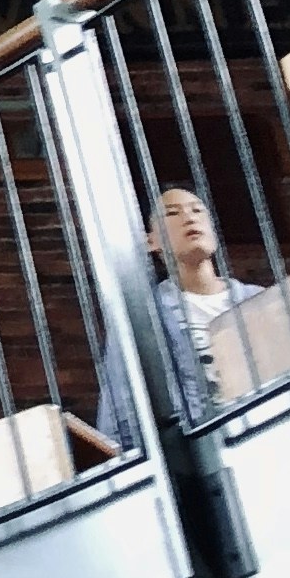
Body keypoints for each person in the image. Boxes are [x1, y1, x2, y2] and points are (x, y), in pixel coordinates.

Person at [97, 186, 262, 450]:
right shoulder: (143, 318)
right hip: (200, 453)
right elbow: (122, 407)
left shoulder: (258, 300)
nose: (189, 217)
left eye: (197, 210)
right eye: (172, 214)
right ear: (150, 241)